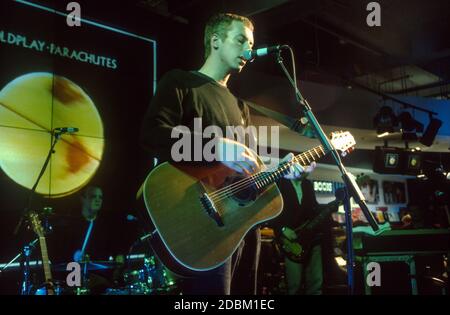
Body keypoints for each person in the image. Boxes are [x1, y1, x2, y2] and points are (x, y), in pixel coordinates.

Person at [140, 13, 315, 294]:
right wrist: (216, 145)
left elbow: (244, 173)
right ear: (216, 41)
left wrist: (282, 168)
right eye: (241, 40)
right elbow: (152, 134)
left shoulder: (239, 106)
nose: (249, 49)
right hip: (201, 225)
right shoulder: (181, 82)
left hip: (242, 226)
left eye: (251, 43)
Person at [273, 178, 337, 295]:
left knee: (316, 284)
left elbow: (313, 208)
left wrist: (332, 206)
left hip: (312, 238)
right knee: (294, 286)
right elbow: (271, 210)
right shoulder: (280, 182)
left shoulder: (307, 184)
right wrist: (282, 229)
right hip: (291, 240)